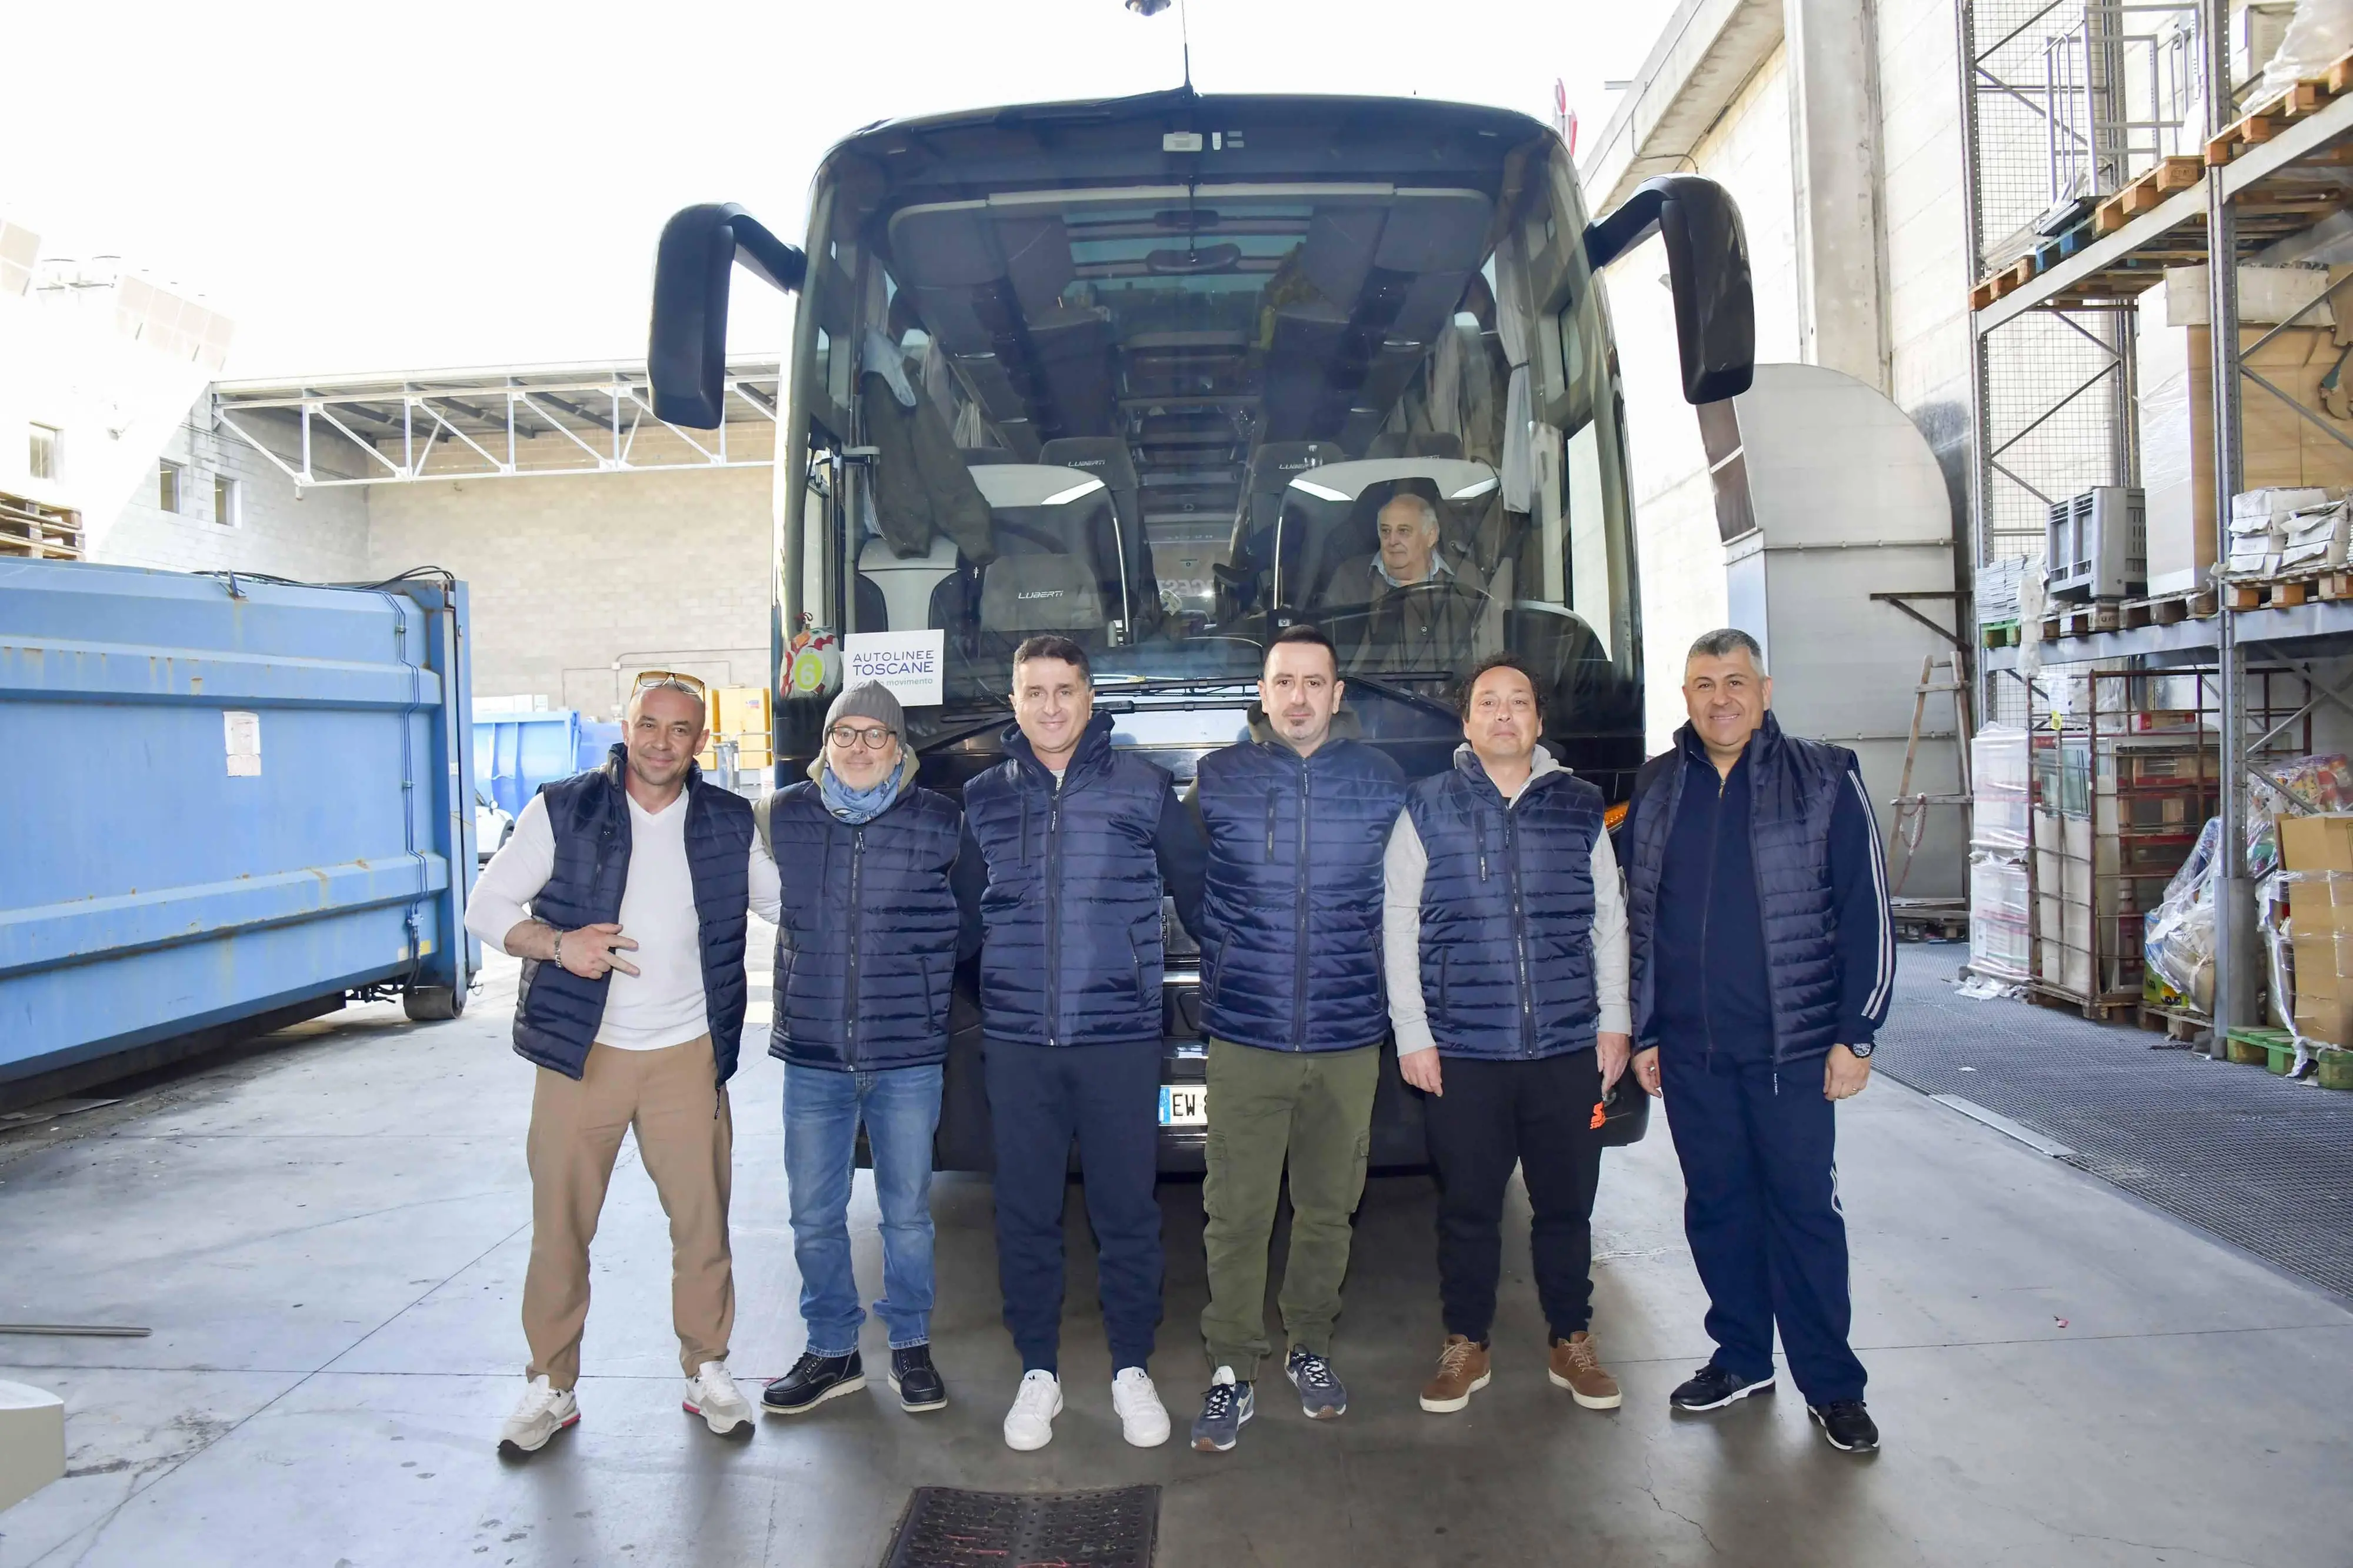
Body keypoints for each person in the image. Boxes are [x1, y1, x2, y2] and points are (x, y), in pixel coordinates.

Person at [465, 675, 776, 1456]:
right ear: (627, 727)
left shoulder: (728, 822)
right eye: (649, 724)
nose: (662, 741)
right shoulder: (565, 808)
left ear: (700, 740)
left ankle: (707, 1367)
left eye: (679, 729)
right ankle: (551, 1385)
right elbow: (485, 906)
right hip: (582, 1056)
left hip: (688, 1054)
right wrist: (557, 943)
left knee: (704, 1226)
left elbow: (787, 905)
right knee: (561, 1230)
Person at [1619, 628, 1895, 1455]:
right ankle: (1742, 1355)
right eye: (1704, 683)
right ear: (1687, 696)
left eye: (1736, 681)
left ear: (1765, 690)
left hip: (1796, 1050)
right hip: (1695, 1053)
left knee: (1804, 1212)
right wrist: (1647, 1028)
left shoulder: (1824, 777)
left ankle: (1832, 1383)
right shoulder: (1660, 785)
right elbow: (1641, 921)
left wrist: (1858, 1034)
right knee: (1719, 1207)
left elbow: (1869, 911)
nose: (1722, 698)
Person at [952, 634, 1208, 1452]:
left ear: (1090, 699)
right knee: (1025, 1211)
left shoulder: (1143, 788)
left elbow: (1202, 897)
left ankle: (1132, 1366)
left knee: (1126, 1212)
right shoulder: (985, 797)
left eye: (1066, 690)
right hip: (1021, 1044)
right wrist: (993, 992)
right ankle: (1039, 1371)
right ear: (1016, 703)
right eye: (1036, 692)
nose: (1051, 706)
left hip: (1118, 1041)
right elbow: (960, 923)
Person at [1382, 654, 1630, 1416]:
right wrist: (1413, 1031)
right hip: (1464, 1052)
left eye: (1517, 700)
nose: (1503, 713)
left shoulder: (1580, 806)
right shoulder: (1426, 805)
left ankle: (1572, 1338)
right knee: (1469, 1207)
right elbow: (1397, 921)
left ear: (1538, 721)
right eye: (1487, 702)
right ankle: (1467, 1341)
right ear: (1465, 724)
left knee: (1566, 1205)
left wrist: (1616, 1020)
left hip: (1566, 1046)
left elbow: (1610, 920)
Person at [1184, 624, 1408, 1453]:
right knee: (1235, 1210)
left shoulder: (1383, 783)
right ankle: (1231, 1367)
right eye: (1285, 682)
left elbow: (1407, 893)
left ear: (1338, 694)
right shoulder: (1219, 779)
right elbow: (1185, 870)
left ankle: (1308, 1343)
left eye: (1316, 682)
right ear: (1265, 691)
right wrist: (1230, 944)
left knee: (1327, 1207)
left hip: (1349, 1035)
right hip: (1247, 1031)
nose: (1300, 697)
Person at [754, 682, 962, 1419]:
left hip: (906, 1052)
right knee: (814, 1212)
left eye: (877, 735)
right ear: (826, 741)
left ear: (900, 746)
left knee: (906, 1213)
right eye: (846, 732)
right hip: (812, 1052)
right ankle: (832, 1348)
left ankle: (909, 1343)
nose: (860, 748)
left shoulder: (941, 822)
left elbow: (976, 924)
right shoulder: (782, 816)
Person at [1342, 493, 1491, 677]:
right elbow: (1332, 654)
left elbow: (1486, 648)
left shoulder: (1467, 577)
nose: (1392, 541)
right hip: (1369, 696)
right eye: (1386, 531)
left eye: (1403, 531)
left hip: (1448, 698)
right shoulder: (1350, 578)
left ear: (1431, 535)